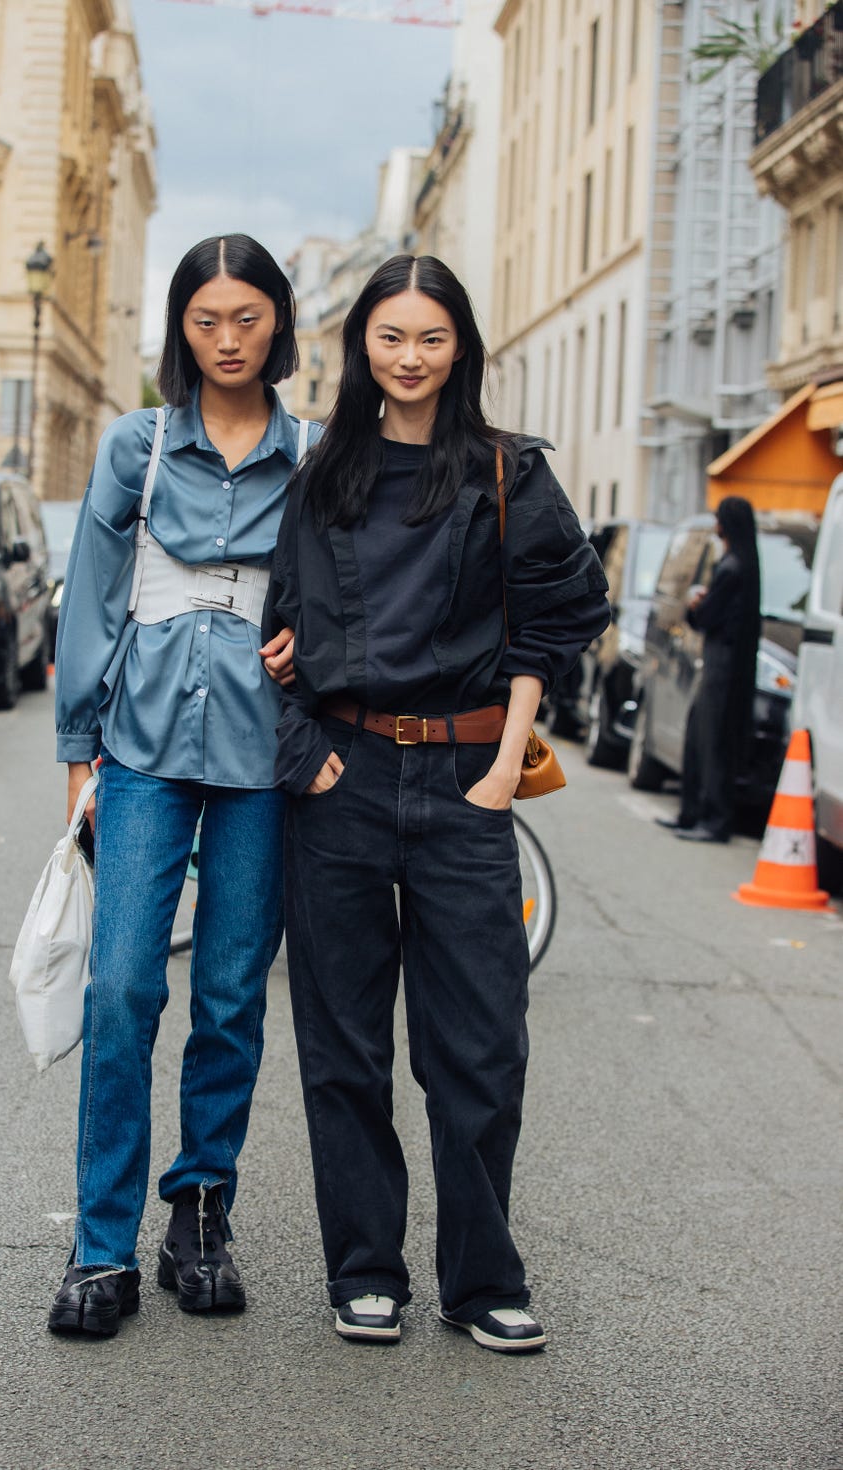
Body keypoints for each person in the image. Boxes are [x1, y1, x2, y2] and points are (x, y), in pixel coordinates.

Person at [262, 254, 609, 1352]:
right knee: (343, 1045)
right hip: (344, 782)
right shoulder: (321, 478)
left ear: (460, 349)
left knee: (478, 1047)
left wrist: (505, 766)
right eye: (388, 338)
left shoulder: (508, 474)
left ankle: (481, 1279)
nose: (408, 360)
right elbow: (269, 634)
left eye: (430, 339)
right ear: (359, 346)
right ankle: (365, 1270)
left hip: (469, 782)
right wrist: (304, 753)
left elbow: (556, 620)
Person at [48, 234, 318, 1337]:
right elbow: (91, 598)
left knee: (228, 999)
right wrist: (78, 766)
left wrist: (317, 647)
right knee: (120, 991)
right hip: (144, 752)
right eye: (205, 320)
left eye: (246, 318)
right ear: (181, 328)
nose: (226, 339)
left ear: (278, 326)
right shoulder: (138, 446)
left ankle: (199, 1214)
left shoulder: (313, 451)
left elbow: (344, 593)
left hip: (262, 762)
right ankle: (100, 1246)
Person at [656, 495, 761, 844]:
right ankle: (693, 815)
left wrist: (695, 604)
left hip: (721, 666)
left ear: (726, 524)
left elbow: (705, 618)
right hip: (726, 665)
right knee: (701, 738)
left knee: (711, 742)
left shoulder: (731, 567)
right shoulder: (742, 563)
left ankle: (712, 820)